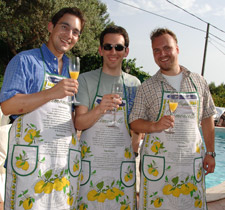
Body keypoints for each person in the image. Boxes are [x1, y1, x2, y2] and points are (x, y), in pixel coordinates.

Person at [0, 7, 85, 210]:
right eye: (65, 27)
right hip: (31, 166)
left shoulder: (71, 69)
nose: (69, 35)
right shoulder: (25, 61)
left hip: (61, 164)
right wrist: (51, 93)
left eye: (75, 32)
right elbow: (7, 106)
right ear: (50, 27)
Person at [129, 28, 216, 210]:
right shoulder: (147, 87)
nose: (162, 54)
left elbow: (208, 117)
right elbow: (134, 121)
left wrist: (210, 152)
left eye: (167, 48)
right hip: (157, 166)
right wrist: (154, 125)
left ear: (177, 48)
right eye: (156, 50)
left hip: (190, 163)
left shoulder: (198, 82)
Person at [75, 25, 141, 209]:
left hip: (121, 162)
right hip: (93, 163)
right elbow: (79, 122)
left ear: (126, 51)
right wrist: (99, 109)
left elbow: (135, 124)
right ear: (100, 50)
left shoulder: (134, 83)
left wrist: (134, 146)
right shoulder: (85, 80)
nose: (113, 51)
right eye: (108, 46)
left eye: (118, 47)